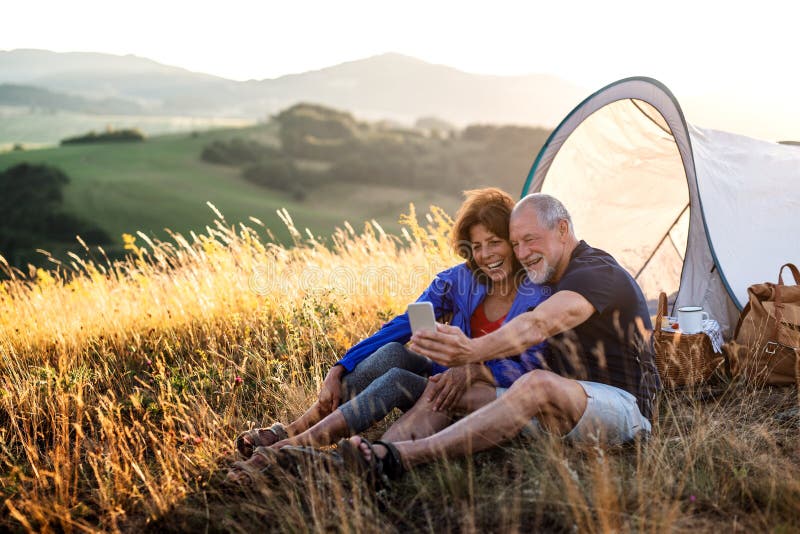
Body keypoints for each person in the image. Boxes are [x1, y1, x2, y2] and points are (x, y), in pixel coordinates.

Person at [227, 188, 551, 484]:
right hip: (441, 382)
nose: (486, 254)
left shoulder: (537, 294)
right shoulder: (460, 279)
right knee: (393, 352)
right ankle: (296, 429)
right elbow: (401, 324)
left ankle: (284, 450)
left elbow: (534, 367)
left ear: (513, 241)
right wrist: (340, 367)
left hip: (485, 396)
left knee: (397, 378)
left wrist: (477, 369)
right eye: (477, 246)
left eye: (494, 242)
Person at [340, 193, 661, 480]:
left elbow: (538, 325)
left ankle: (407, 456)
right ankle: (369, 458)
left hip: (625, 410)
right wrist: (466, 371)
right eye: (516, 243)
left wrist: (471, 351)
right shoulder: (549, 279)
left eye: (531, 239)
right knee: (445, 390)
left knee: (537, 383)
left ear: (563, 230)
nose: (522, 252)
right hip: (561, 411)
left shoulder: (595, 273)